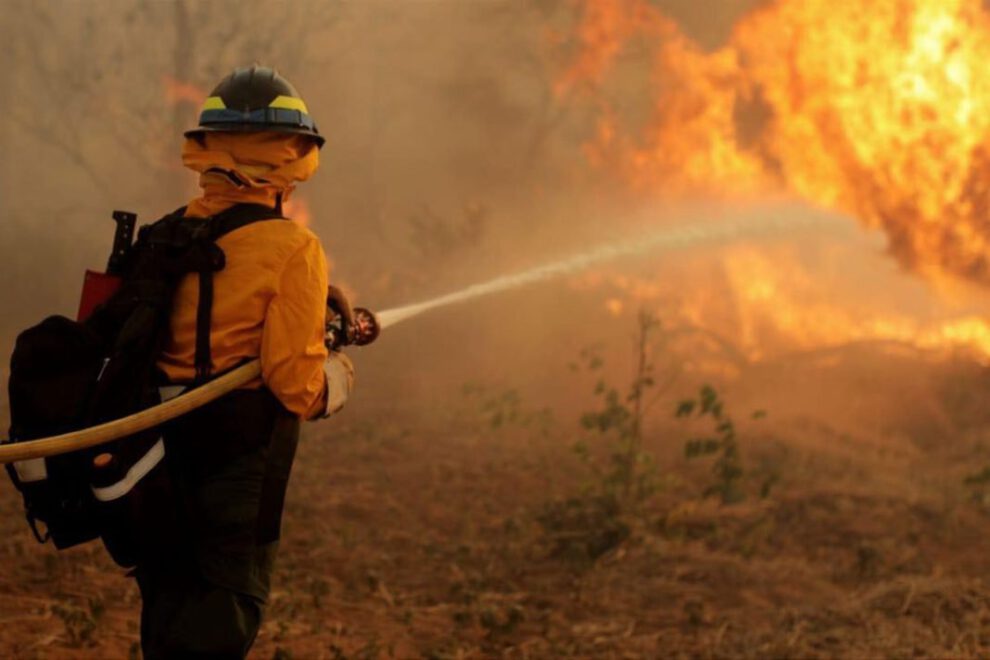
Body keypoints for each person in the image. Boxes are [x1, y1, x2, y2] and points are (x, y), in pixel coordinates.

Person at [134, 65, 354, 659]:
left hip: (152, 459)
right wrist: (338, 374)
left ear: (207, 148)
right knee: (222, 614)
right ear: (293, 157)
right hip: (234, 463)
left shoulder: (168, 234)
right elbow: (293, 383)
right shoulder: (294, 249)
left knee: (168, 605)